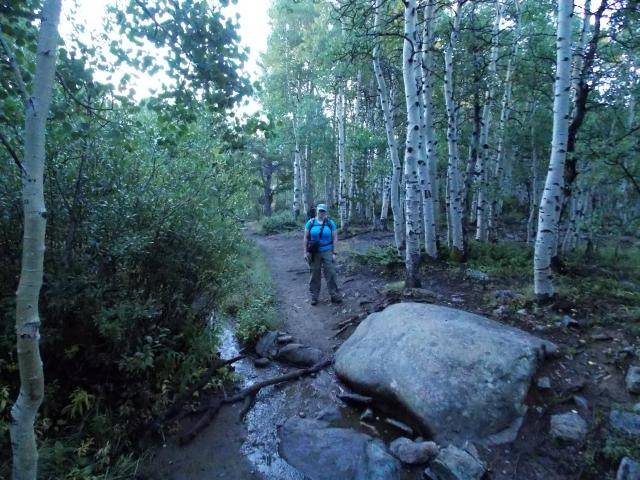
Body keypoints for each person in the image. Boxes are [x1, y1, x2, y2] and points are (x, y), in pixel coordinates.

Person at [303, 203, 341, 305]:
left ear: (326, 212)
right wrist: (305, 252)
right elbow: (306, 238)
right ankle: (314, 297)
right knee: (315, 274)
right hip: (314, 253)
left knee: (331, 273)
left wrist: (334, 252)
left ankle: (335, 295)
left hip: (327, 251)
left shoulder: (330, 223)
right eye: (320, 211)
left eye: (323, 211)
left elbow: (335, 238)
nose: (321, 213)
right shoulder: (310, 223)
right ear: (317, 211)